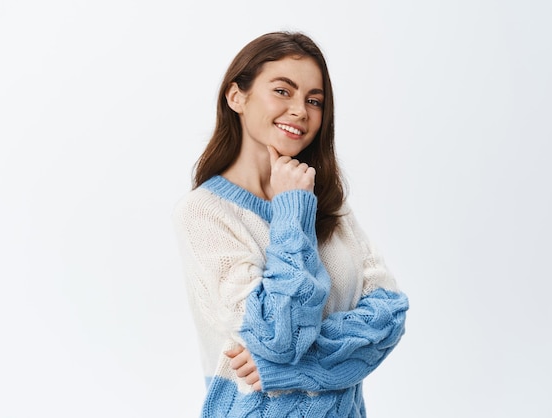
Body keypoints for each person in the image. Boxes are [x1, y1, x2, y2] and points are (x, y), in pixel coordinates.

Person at [173, 31, 409, 417]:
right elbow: (277, 336)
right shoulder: (204, 213)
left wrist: (287, 369)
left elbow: (389, 316)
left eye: (314, 100)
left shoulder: (330, 207)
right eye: (283, 91)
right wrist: (290, 208)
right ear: (237, 97)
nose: (300, 110)